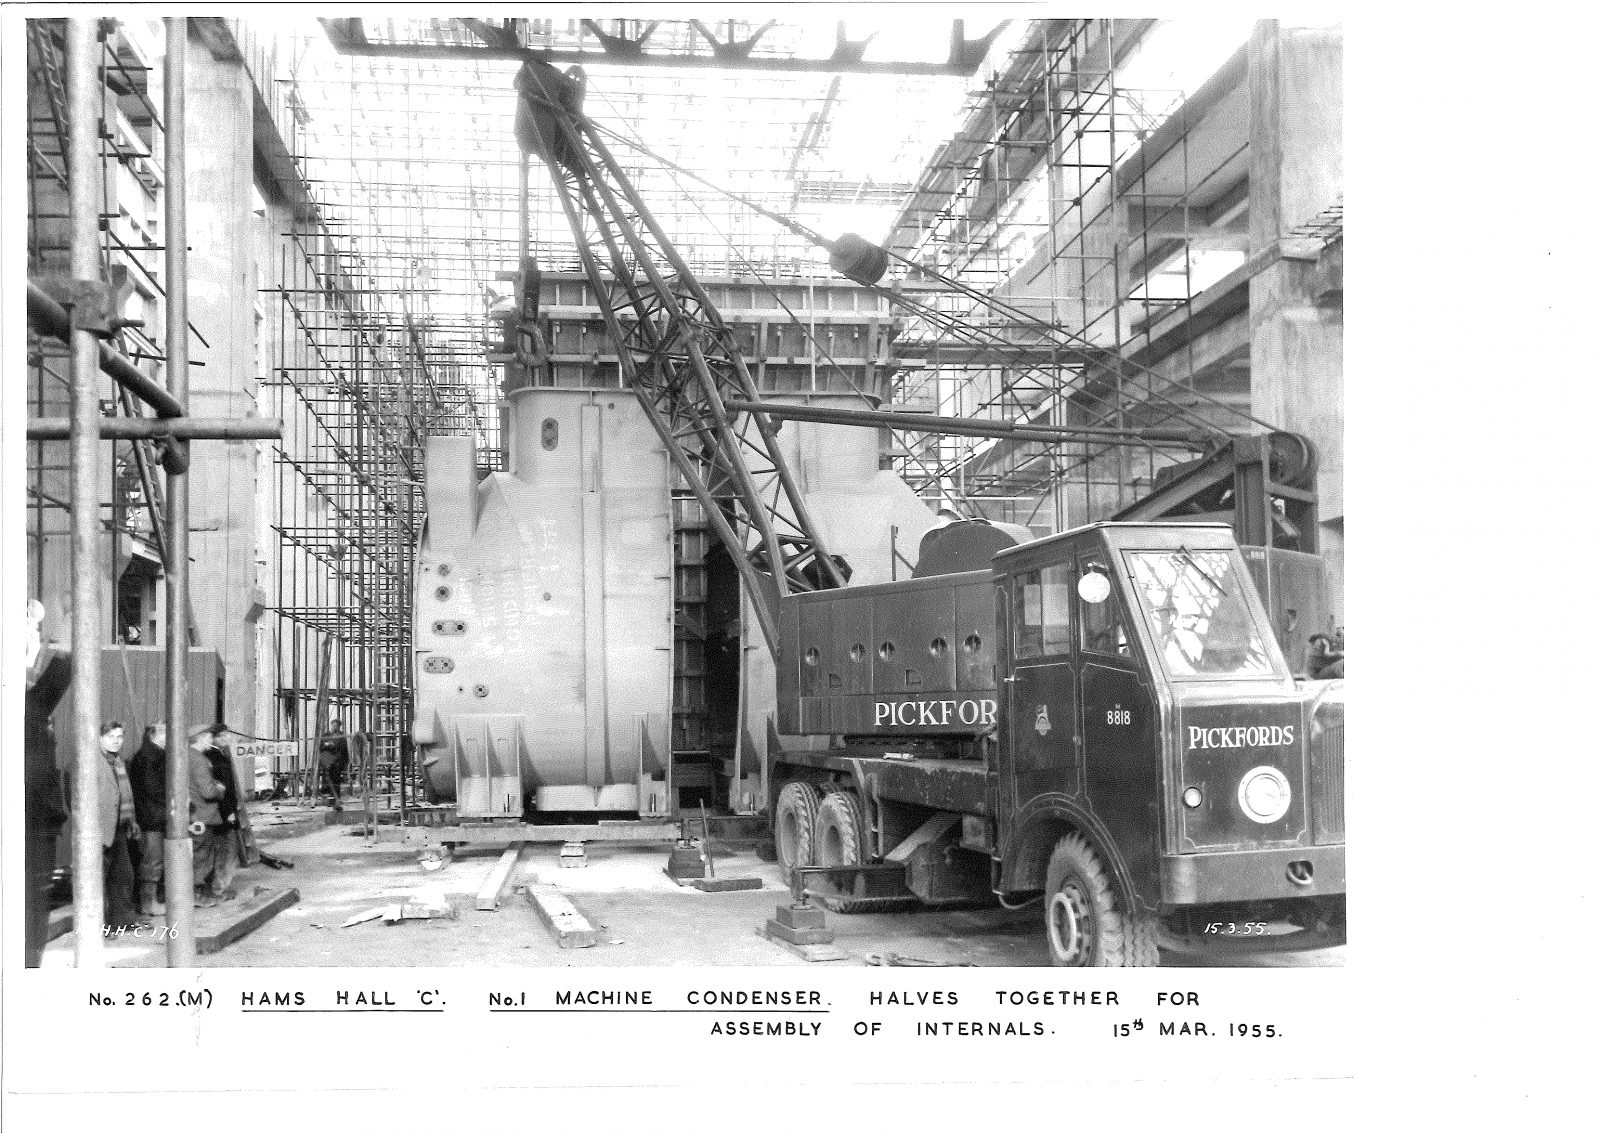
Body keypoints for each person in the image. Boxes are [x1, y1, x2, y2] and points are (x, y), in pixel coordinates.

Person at [71, 721, 143, 932]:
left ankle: (122, 921)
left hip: (119, 828)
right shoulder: (89, 760)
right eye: (111, 737)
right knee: (97, 879)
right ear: (99, 738)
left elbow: (123, 794)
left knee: (123, 875)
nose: (116, 741)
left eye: (120, 737)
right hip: (97, 830)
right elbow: (77, 797)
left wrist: (131, 820)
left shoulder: (117, 761)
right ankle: (96, 927)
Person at [188, 725, 239, 905]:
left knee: (201, 855)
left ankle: (202, 892)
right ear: (200, 738)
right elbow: (208, 792)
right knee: (202, 856)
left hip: (196, 814)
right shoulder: (199, 759)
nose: (211, 740)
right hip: (203, 814)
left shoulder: (188, 756)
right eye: (209, 736)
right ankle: (198, 895)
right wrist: (220, 788)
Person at [127, 722, 168, 917]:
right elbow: (153, 789)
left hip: (152, 816)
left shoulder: (152, 755)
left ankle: (150, 901)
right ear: (154, 734)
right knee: (152, 861)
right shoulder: (149, 757)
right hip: (151, 818)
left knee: (154, 860)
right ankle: (148, 903)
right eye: (166, 732)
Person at [318, 719, 351, 812]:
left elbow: (344, 750)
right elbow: (320, 748)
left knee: (336, 779)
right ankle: (328, 798)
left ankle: (336, 798)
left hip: (337, 762)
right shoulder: (325, 735)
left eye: (337, 726)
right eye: (334, 726)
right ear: (331, 725)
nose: (335, 728)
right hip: (327, 761)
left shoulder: (342, 736)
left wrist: (346, 762)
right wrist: (328, 745)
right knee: (327, 779)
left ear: (339, 727)